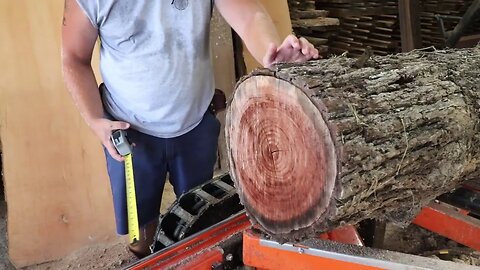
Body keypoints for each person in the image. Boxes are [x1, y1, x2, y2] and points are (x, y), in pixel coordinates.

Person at [61, 0, 319, 258]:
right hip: (128, 131)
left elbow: (249, 16)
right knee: (141, 233)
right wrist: (96, 121)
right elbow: (74, 57)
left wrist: (271, 52)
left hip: (194, 123)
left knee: (199, 222)